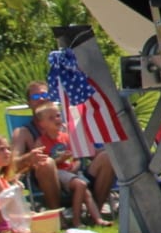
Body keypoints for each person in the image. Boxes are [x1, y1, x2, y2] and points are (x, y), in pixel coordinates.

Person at [28, 80, 116, 217]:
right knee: (48, 164)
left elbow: (84, 151)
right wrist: (58, 160)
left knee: (107, 156)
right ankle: (62, 217)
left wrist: (77, 163)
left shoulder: (68, 130)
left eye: (57, 116)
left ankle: (95, 216)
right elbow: (33, 163)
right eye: (35, 97)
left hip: (75, 172)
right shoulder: (28, 134)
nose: (41, 98)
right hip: (55, 179)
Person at [12, 103, 103, 226]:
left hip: (71, 172)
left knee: (86, 191)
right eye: (51, 118)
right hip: (57, 174)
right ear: (42, 124)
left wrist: (74, 166)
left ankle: (97, 219)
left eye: (58, 115)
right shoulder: (41, 142)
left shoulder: (66, 137)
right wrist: (59, 160)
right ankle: (76, 220)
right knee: (81, 185)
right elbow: (39, 162)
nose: (57, 119)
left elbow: (76, 157)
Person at [0, 142, 60, 233]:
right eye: (1, 149)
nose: (7, 152)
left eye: (8, 149)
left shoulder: (4, 179)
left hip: (13, 228)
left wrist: (28, 215)